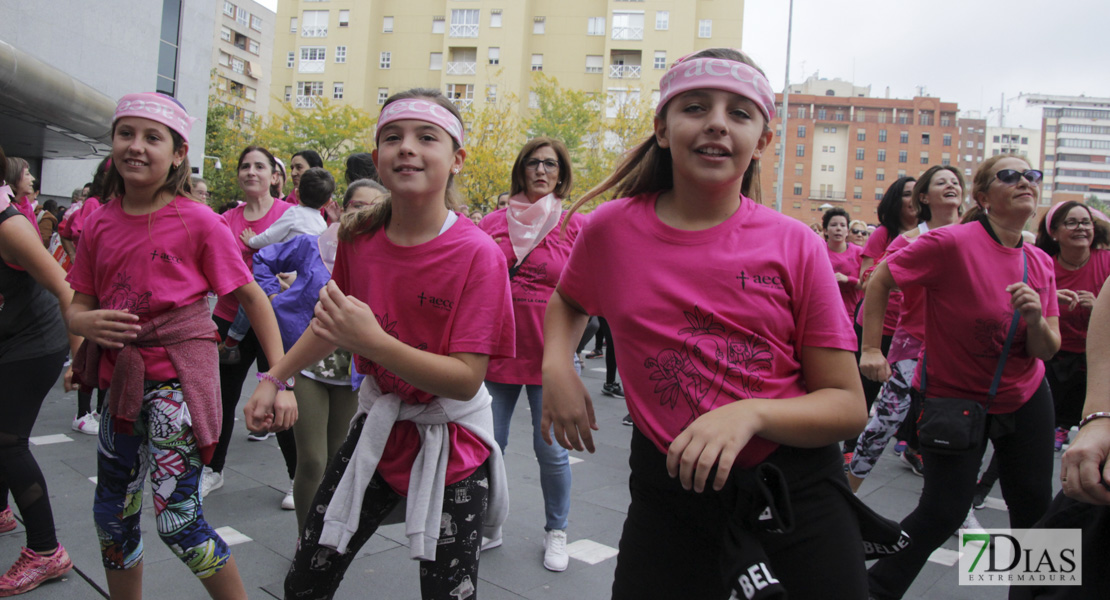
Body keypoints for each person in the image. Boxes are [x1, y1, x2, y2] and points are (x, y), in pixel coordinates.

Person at [541, 48, 875, 598]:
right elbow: (568, 301)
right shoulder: (611, 230)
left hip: (795, 491)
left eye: (740, 113)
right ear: (664, 129)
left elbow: (846, 405)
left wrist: (750, 415)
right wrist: (557, 367)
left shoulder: (795, 244)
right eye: (695, 107)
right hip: (668, 495)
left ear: (762, 142)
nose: (717, 122)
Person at [245, 88, 514, 599]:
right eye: (393, 137)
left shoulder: (479, 255)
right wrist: (273, 378)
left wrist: (374, 342)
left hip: (452, 447)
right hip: (377, 431)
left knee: (449, 594)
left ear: (457, 159)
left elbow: (465, 379)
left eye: (426, 137)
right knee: (306, 578)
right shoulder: (359, 237)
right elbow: (330, 325)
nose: (407, 148)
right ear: (377, 158)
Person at [65, 92, 289, 600]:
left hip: (177, 388)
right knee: (111, 519)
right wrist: (87, 326)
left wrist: (278, 379)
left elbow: (252, 297)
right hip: (117, 387)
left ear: (178, 153)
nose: (136, 147)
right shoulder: (98, 221)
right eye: (126, 134)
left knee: (180, 524)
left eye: (152, 137)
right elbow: (78, 305)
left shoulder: (199, 220)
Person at [863, 156, 1059, 599]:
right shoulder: (951, 243)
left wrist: (1035, 318)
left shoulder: (1040, 262)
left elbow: (1046, 349)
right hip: (956, 399)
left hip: (1026, 396)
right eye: (1010, 175)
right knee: (943, 512)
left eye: (1032, 176)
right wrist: (871, 349)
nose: (1025, 181)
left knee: (1034, 510)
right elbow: (880, 279)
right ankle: (872, 590)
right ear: (984, 197)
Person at [254, 178, 388, 532]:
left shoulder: (384, 258)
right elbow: (261, 261)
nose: (366, 214)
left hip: (352, 372)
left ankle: (326, 536)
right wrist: (272, 299)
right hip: (307, 365)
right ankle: (306, 541)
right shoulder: (310, 244)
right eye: (358, 206)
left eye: (375, 207)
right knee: (311, 460)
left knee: (336, 461)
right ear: (339, 209)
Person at [478, 137, 584, 570]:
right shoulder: (490, 224)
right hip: (497, 351)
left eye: (551, 165)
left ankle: (556, 531)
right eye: (534, 163)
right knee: (489, 445)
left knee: (552, 452)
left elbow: (589, 291)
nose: (542, 171)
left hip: (550, 359)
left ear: (562, 174)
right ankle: (490, 522)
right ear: (521, 169)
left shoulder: (575, 225)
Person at [848, 165, 965, 493]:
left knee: (957, 426)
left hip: (959, 350)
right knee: (883, 422)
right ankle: (849, 491)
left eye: (956, 182)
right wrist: (871, 348)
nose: (951, 185)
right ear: (924, 197)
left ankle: (959, 506)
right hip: (912, 344)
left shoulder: (974, 235)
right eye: (942, 182)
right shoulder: (911, 240)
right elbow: (873, 281)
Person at [0, 146, 80, 597]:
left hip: (37, 342)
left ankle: (46, 551)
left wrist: (79, 359)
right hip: (10, 336)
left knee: (7, 440)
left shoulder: (10, 225)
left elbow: (66, 289)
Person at [205, 146, 297, 505]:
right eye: (245, 166)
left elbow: (306, 265)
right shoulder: (226, 219)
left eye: (260, 166)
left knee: (281, 396)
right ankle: (213, 469)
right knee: (220, 400)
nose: (251, 172)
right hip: (229, 320)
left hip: (277, 322)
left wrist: (288, 279)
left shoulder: (289, 214)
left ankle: (296, 477)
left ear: (275, 176)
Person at [220, 167, 333, 367]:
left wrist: (252, 240)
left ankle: (232, 339)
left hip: (285, 270)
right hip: (303, 280)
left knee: (252, 300)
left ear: (297, 193)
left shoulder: (294, 213)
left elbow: (271, 235)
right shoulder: (322, 224)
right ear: (326, 202)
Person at [846, 176, 918, 468]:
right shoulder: (885, 234)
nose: (914, 199)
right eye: (908, 194)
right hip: (879, 326)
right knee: (866, 389)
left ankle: (912, 445)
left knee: (916, 392)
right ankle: (849, 445)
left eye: (918, 193)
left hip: (912, 329)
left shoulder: (937, 233)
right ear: (895, 200)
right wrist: (893, 278)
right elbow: (866, 280)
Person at [1035, 201, 1110, 452]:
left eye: (1086, 222)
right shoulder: (1044, 265)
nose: (1081, 228)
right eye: (1072, 222)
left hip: (1096, 359)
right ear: (1054, 233)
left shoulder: (1107, 261)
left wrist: (1099, 307)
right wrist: (1049, 302)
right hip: (1055, 357)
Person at [823, 207, 863, 323]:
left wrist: (848, 279)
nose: (838, 229)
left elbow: (867, 285)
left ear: (847, 231)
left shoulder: (859, 253)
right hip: (825, 312)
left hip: (852, 314)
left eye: (842, 225)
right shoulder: (818, 251)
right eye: (834, 225)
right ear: (825, 230)